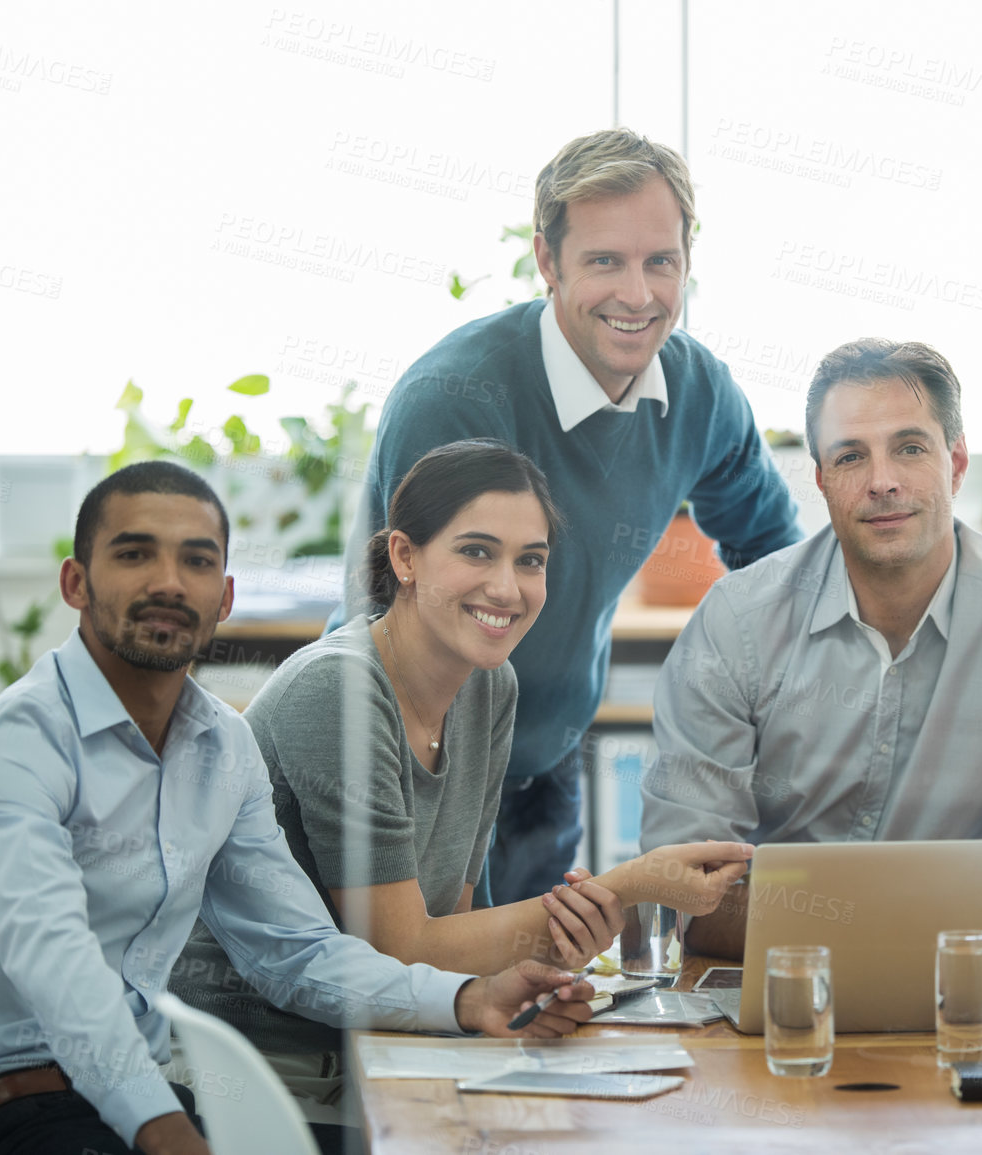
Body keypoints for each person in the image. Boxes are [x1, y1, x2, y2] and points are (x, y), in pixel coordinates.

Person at [0, 462, 596, 1155]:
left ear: (225, 596)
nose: (169, 581)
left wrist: (468, 999)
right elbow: (59, 969)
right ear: (75, 583)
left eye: (197, 561)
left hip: (149, 1098)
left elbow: (295, 950)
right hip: (14, 1105)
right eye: (134, 553)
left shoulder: (220, 748)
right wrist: (164, 1129)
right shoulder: (15, 747)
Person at [172, 441, 752, 1113]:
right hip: (283, 1082)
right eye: (476, 551)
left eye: (530, 560)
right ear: (404, 557)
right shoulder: (337, 688)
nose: (507, 588)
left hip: (398, 1046)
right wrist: (628, 885)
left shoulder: (488, 687)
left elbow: (452, 928)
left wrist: (558, 946)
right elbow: (396, 947)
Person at [338, 127, 804, 904]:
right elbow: (407, 630)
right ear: (547, 262)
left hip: (543, 759)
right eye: (603, 261)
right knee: (432, 1004)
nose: (638, 293)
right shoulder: (455, 398)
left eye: (661, 261)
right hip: (403, 761)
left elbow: (774, 555)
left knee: (541, 1005)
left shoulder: (699, 393)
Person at [639, 338, 982, 959]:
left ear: (955, 464)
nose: (882, 482)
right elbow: (686, 891)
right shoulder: (735, 623)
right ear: (821, 481)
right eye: (850, 457)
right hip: (781, 988)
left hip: (975, 992)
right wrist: (936, 926)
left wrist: (847, 927)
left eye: (909, 448)